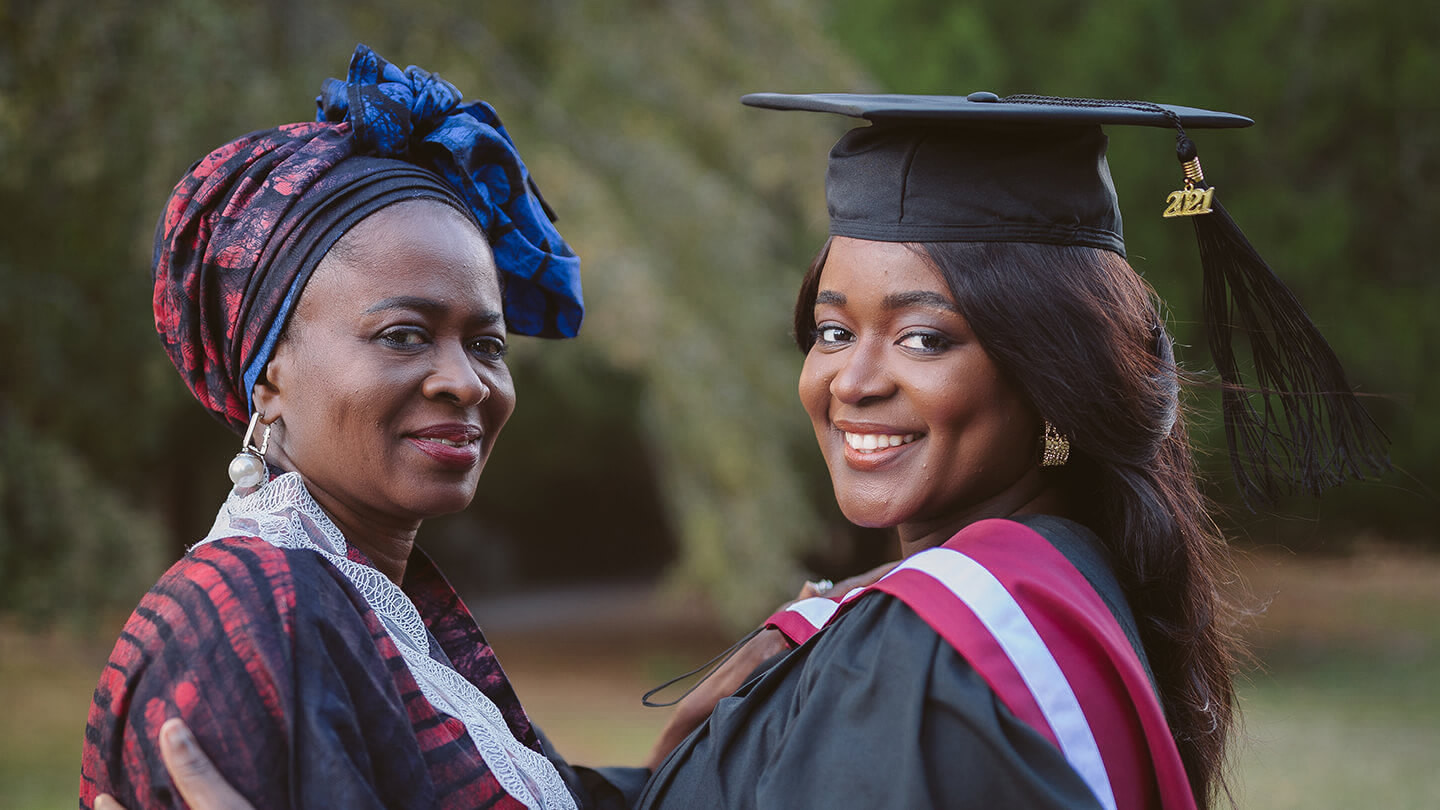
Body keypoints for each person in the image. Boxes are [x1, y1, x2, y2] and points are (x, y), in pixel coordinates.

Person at [100, 92, 1388, 809]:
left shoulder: (939, 662)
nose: (852, 378)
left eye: (925, 334)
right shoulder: (1056, 595)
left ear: (1048, 369)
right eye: (831, 327)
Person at [80, 43, 637, 810]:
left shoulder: (375, 604)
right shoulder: (249, 618)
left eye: (487, 343)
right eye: (404, 335)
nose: (466, 380)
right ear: (267, 374)